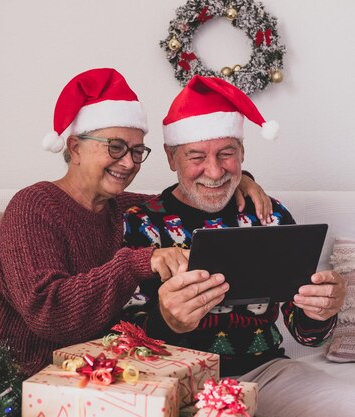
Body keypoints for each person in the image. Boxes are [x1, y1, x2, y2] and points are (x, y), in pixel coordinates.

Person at [0, 68, 271, 376]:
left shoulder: (127, 208)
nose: (128, 162)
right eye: (115, 147)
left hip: (99, 378)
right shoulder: (33, 206)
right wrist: (137, 262)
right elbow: (49, 313)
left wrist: (239, 182)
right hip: (14, 375)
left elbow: (188, 194)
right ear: (75, 148)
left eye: (137, 150)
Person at [124, 74, 351, 417]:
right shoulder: (140, 221)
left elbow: (307, 336)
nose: (214, 172)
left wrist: (321, 312)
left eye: (226, 153)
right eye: (196, 156)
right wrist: (165, 321)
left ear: (243, 153)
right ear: (172, 158)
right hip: (175, 380)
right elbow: (121, 337)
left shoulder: (269, 214)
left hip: (268, 374)